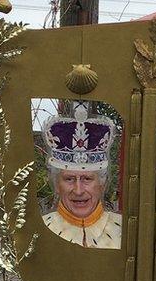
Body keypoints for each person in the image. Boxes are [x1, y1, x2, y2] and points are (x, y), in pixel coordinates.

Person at [41, 103, 122, 249]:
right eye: (69, 179)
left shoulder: (124, 232)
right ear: (57, 185)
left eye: (87, 179)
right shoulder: (39, 232)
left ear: (102, 184)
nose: (78, 190)